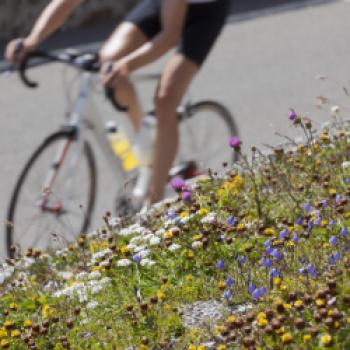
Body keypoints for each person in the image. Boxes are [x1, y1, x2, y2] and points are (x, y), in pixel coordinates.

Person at [5, 0, 230, 205]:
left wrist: (127, 65)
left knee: (166, 97)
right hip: (163, 4)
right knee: (108, 60)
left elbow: (171, 35)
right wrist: (32, 40)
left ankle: (155, 202)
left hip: (205, 12)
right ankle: (150, 146)